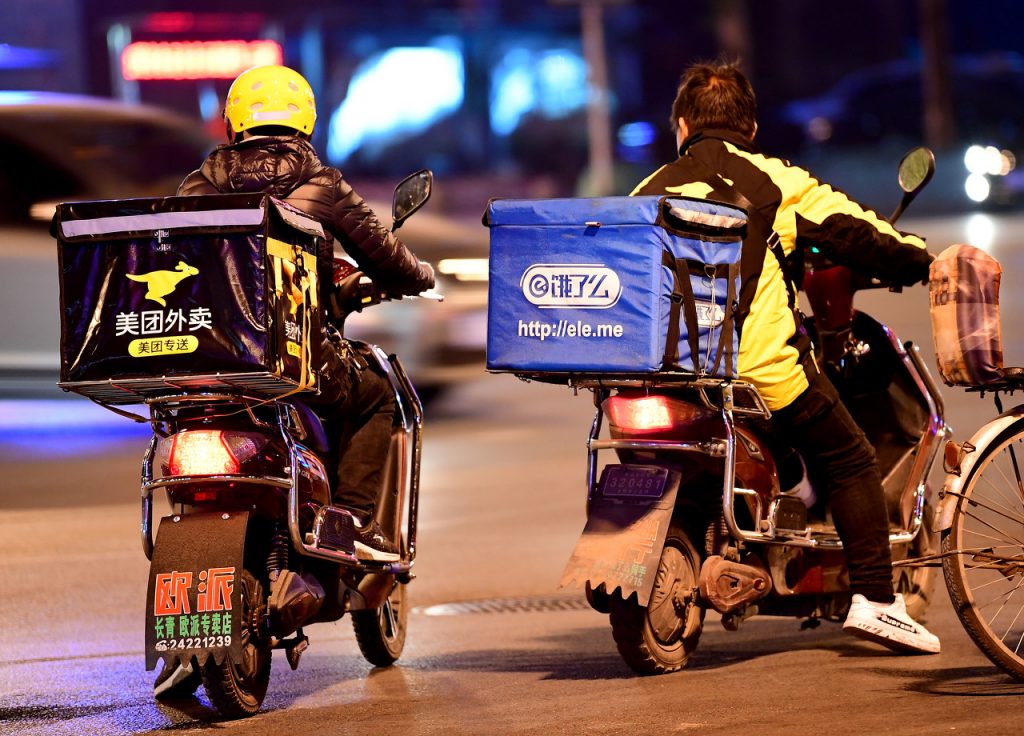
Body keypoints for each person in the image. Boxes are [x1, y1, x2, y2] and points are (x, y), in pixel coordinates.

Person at [631, 60, 940, 654]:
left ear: (682, 125)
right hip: (755, 372)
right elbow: (861, 233)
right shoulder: (773, 181)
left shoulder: (648, 190)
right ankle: (877, 601)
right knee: (850, 457)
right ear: (749, 129)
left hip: (665, 373)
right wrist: (925, 261)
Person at [178, 64, 434, 563]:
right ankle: (355, 523)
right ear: (307, 123)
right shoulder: (322, 184)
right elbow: (389, 261)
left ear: (233, 124)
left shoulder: (196, 186)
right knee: (378, 396)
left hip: (211, 362)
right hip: (299, 359)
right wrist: (420, 274)